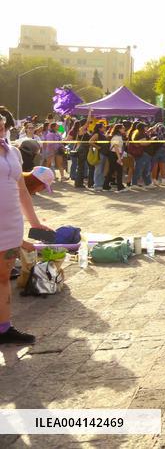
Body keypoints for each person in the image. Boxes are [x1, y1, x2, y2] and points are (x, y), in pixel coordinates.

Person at [0, 107, 49, 344]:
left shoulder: (13, 153)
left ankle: (3, 328)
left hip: (10, 225)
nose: (1, 125)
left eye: (3, 123)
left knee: (3, 277)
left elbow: (22, 191)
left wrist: (36, 223)